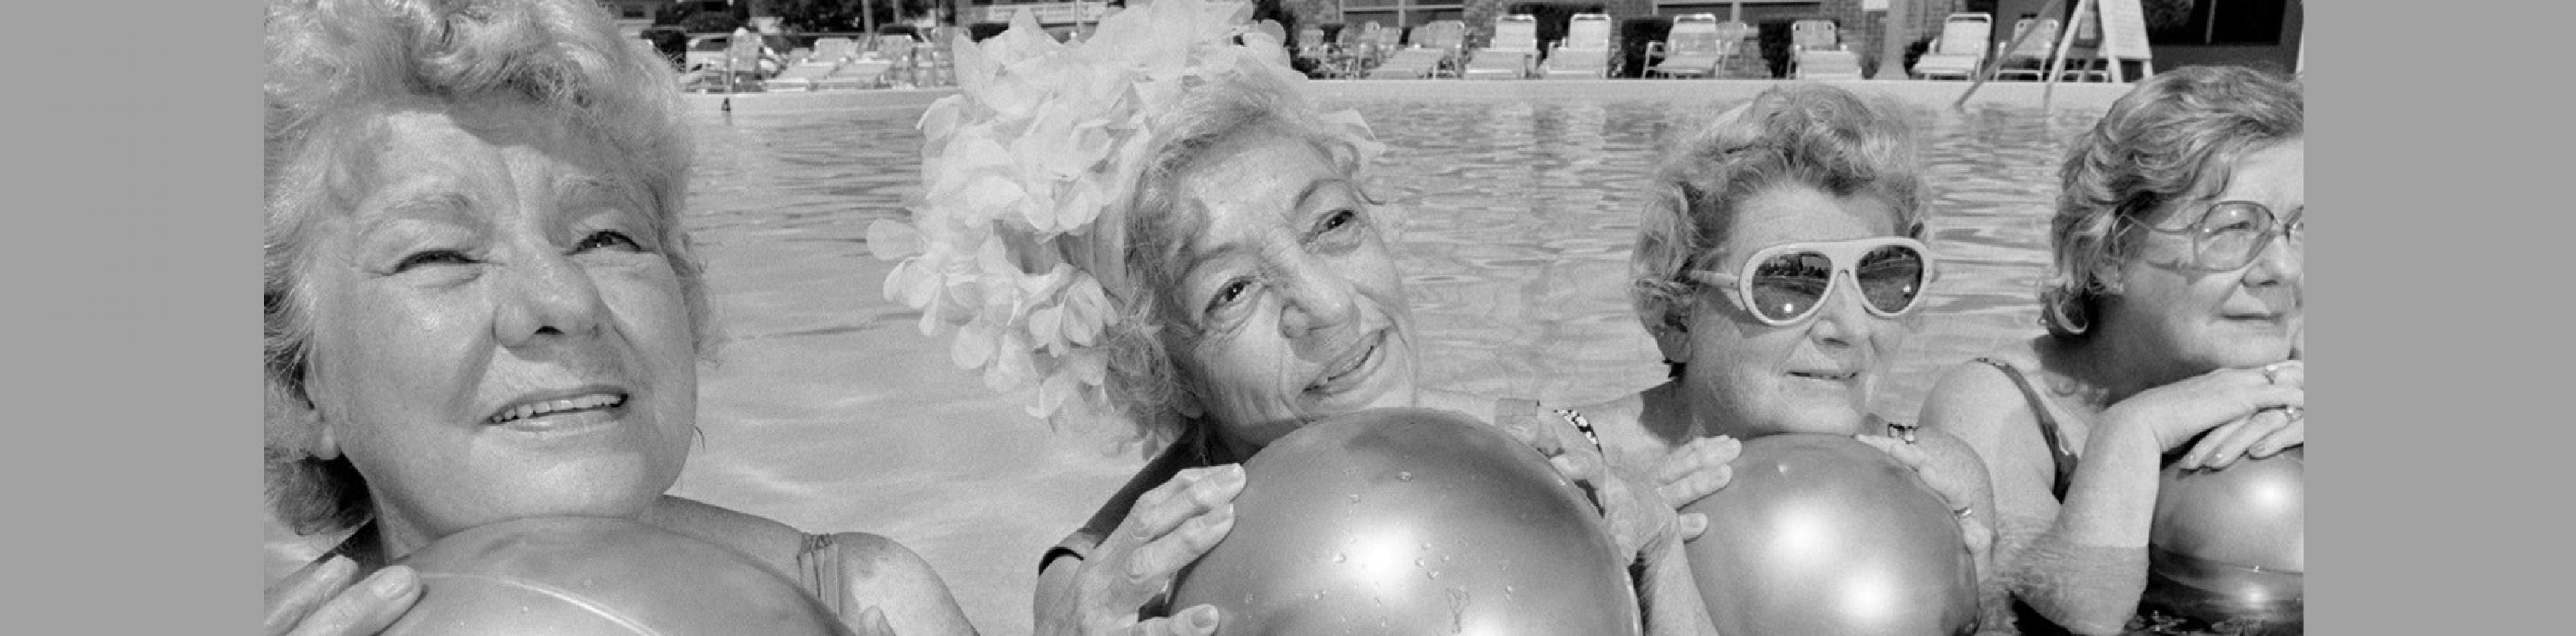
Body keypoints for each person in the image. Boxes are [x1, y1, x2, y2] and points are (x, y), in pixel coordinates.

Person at [869, 2, 1733, 635]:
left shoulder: (1549, 454)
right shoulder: (1115, 584)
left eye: (1333, 224)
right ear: (1161, 368)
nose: (1326, 306)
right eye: (1231, 292)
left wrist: (1661, 562)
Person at [261, 1, 977, 634]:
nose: (565, 301)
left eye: (606, 238)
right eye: (440, 255)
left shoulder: (868, 598)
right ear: (296, 387)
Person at [1550, 83, 2009, 634]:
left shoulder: (1941, 479)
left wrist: (1975, 599)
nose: (1853, 328)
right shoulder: (1575, 476)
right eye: (1790, 281)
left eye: (1885, 276)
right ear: (1675, 317)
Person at [1915, 65, 2304, 635]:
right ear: (2109, 253)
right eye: (2233, 226)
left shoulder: (2301, 360)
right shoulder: (1999, 404)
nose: (2284, 270)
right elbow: (2082, 610)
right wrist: (2136, 430)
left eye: (2302, 227)